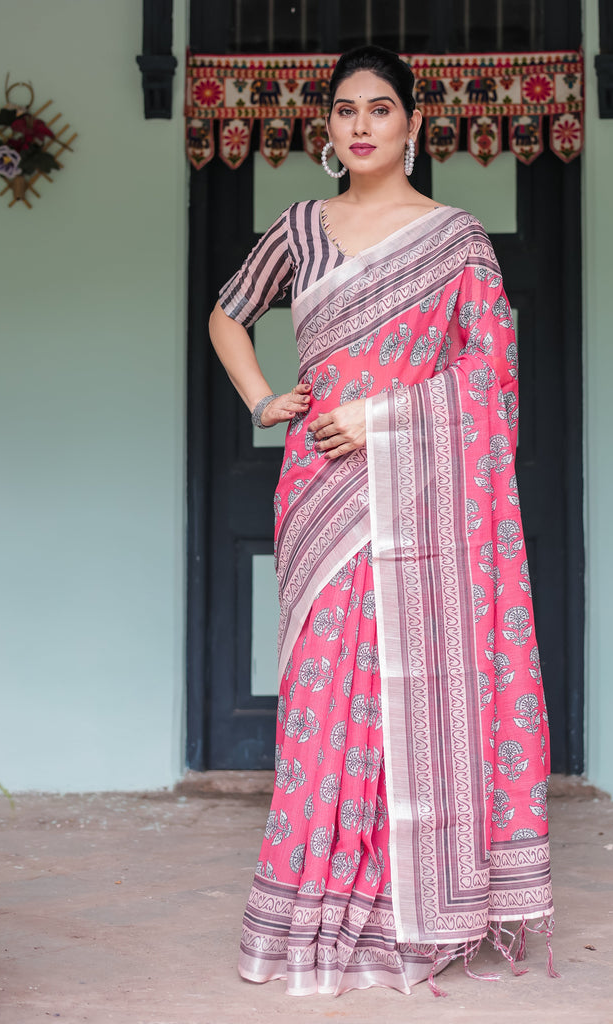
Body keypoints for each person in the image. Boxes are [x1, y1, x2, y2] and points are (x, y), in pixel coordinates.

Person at [209, 44, 555, 997]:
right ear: (327, 128)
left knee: (413, 689)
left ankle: (415, 910)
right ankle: (316, 904)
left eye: (379, 109)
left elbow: (491, 377)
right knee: (325, 702)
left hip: (419, 503)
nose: (359, 125)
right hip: (321, 495)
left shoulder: (454, 239)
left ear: (412, 125)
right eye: (344, 110)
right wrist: (261, 397)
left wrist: (383, 416)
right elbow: (228, 314)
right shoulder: (299, 229)